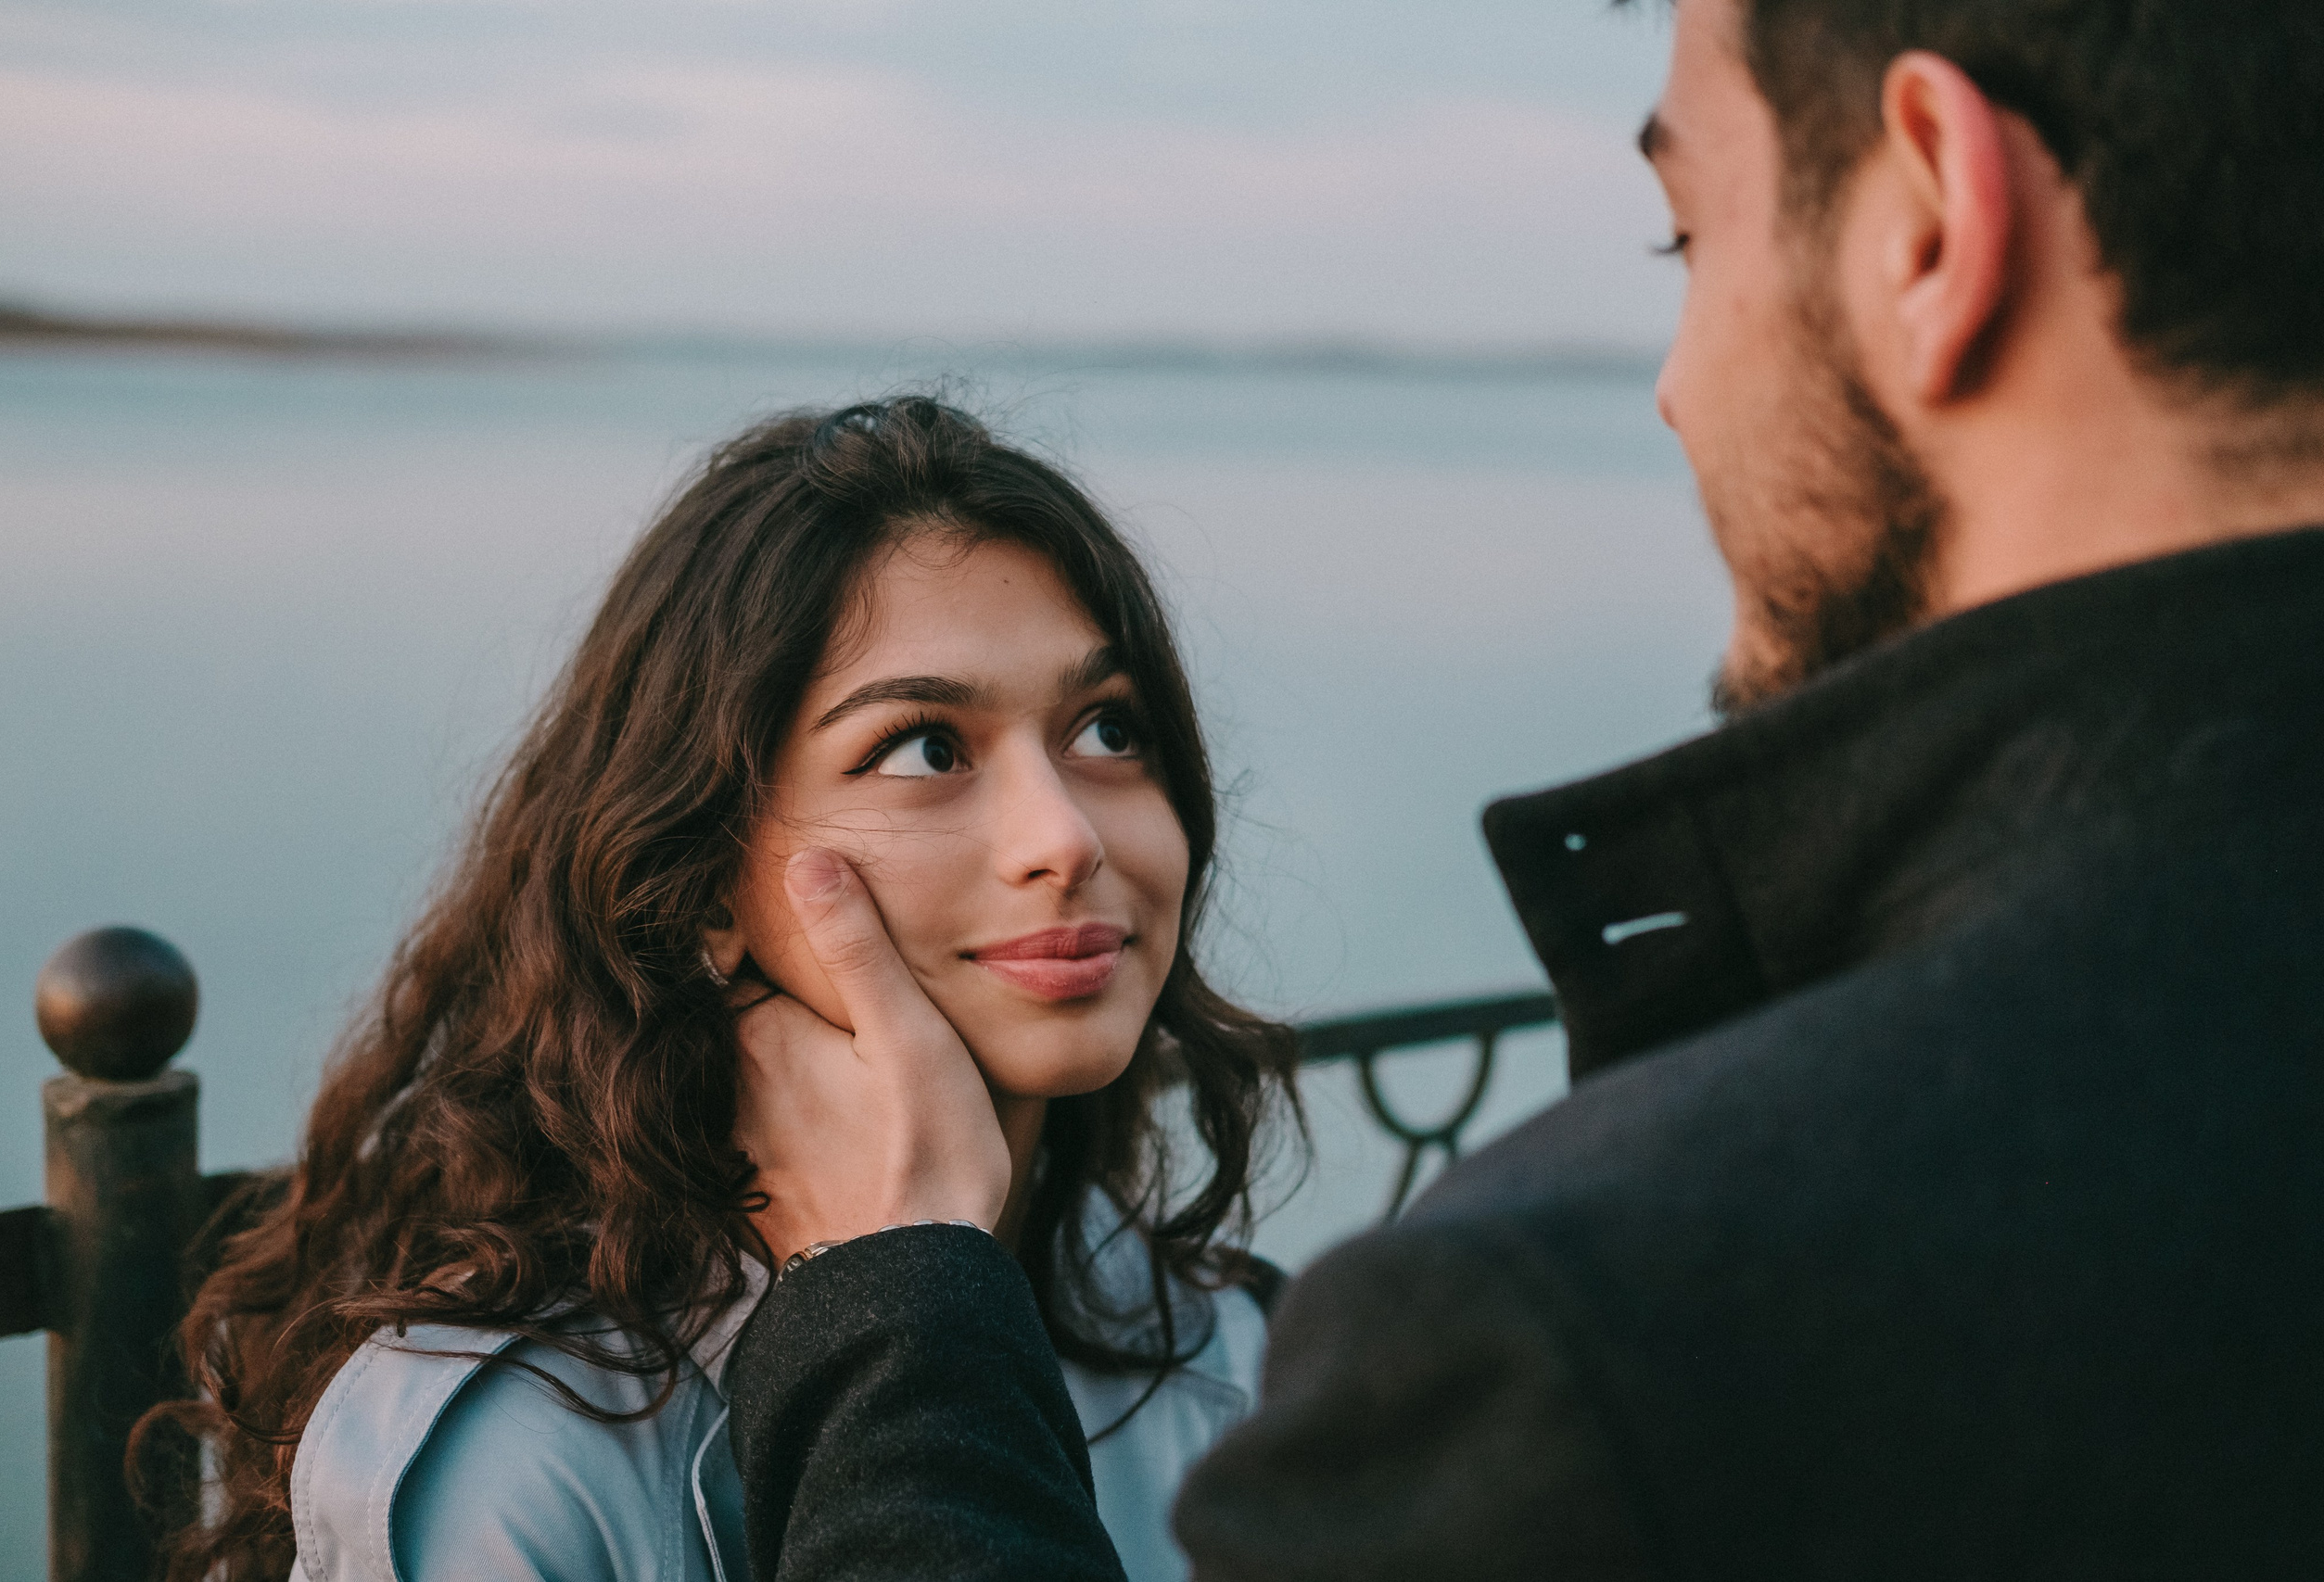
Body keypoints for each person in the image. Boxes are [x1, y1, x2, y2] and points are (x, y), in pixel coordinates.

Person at [715, 0, 2324, 1576]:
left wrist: (894, 1310)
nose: (1675, 388)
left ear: (1929, 218)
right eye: (927, 745)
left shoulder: (1587, 1338)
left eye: (1683, 242)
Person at [146, 398, 1296, 1582]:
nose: (1064, 837)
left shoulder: (1226, 1351)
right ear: (701, 881)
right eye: (924, 749)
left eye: (1108, 730)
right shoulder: (515, 1460)